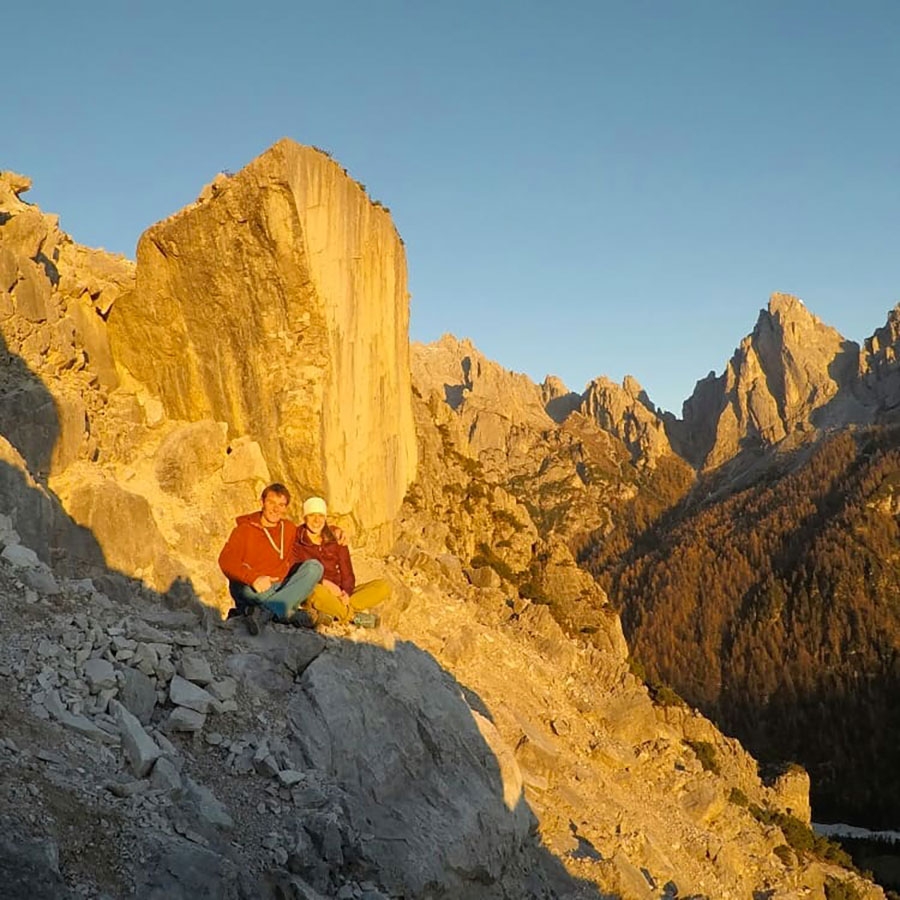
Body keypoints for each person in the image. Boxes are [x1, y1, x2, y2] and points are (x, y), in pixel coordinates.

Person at [219, 483, 324, 634]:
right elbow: (226, 560)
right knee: (245, 590)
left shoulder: (289, 529)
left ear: (286, 508)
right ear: (262, 502)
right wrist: (253, 578)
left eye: (281, 505)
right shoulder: (244, 529)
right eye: (271, 503)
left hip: (279, 587)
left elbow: (313, 532)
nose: (276, 509)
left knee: (315, 567)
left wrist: (334, 532)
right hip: (252, 587)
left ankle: (262, 612)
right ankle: (292, 613)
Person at [293, 496, 390, 626]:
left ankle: (335, 611)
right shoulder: (297, 540)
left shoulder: (336, 539)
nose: (317, 520)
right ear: (305, 518)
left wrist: (346, 593)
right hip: (316, 589)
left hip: (338, 593)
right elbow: (296, 570)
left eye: (321, 516)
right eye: (312, 515)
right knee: (316, 591)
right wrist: (325, 583)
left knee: (383, 586)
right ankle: (353, 617)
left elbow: (347, 573)